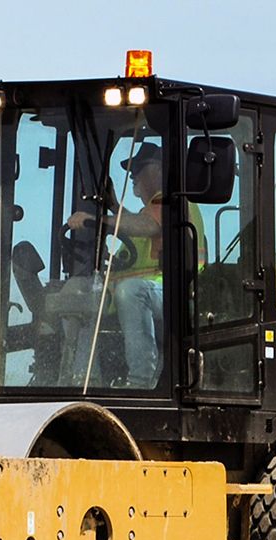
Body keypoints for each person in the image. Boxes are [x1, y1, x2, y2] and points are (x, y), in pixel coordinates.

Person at [65, 142, 167, 388]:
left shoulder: (172, 204)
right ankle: (80, 378)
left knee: (129, 291)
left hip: (175, 294)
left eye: (140, 170)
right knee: (80, 291)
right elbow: (134, 225)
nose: (134, 177)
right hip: (148, 293)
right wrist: (111, 206)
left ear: (160, 171)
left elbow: (146, 226)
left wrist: (95, 219)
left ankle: (142, 380)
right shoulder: (148, 211)